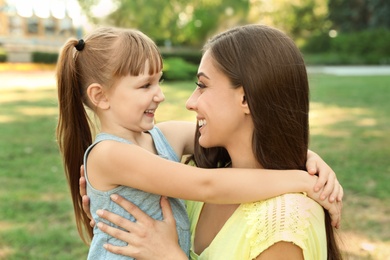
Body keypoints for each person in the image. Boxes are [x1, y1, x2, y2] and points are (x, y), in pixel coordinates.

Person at [56, 27, 342, 259]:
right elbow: (206, 184)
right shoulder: (109, 153)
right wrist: (304, 181)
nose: (161, 96)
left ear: (246, 99)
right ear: (100, 97)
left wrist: (308, 157)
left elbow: (264, 134)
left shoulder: (162, 137)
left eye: (159, 82)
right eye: (145, 86)